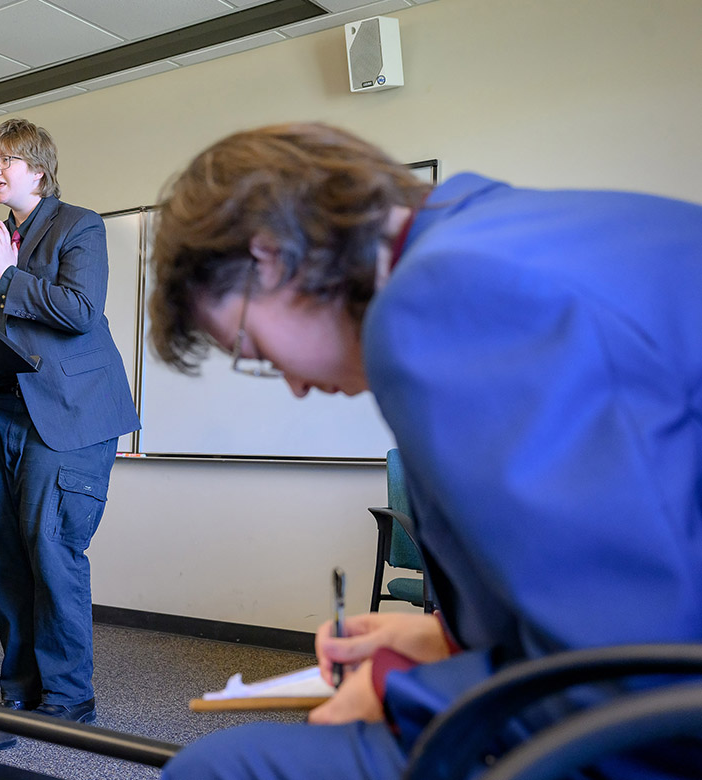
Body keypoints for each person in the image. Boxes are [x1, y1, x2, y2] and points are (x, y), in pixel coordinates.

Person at [147, 123, 702, 779]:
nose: (293, 385)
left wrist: (394, 688)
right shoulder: (497, 226)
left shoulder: (442, 297)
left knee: (222, 767)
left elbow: (636, 673)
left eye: (254, 352)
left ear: (270, 257)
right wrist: (444, 638)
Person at [0, 118, 139, 723]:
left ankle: (69, 698)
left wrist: (10, 275)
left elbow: (79, 311)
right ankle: (22, 687)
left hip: (67, 418)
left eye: (8, 161)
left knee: (52, 552)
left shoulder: (79, 225)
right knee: (0, 558)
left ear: (40, 168)